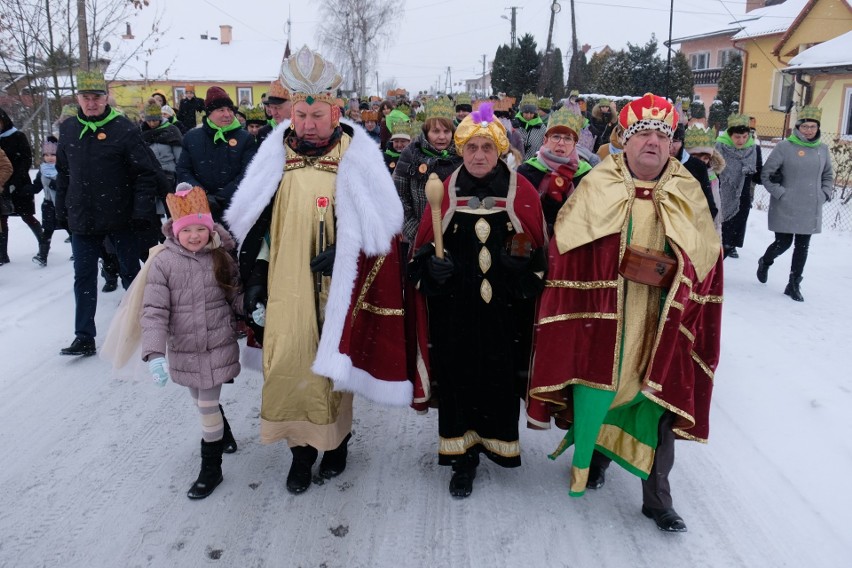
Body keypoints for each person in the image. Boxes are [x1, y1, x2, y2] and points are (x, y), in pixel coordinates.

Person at [528, 93, 723, 532]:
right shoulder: (600, 182)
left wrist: (677, 271)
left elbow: (709, 258)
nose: (653, 142)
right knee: (599, 387)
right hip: (605, 313)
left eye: (662, 135)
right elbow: (566, 246)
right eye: (643, 134)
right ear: (626, 140)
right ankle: (595, 458)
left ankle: (658, 500)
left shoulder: (686, 188)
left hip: (660, 318)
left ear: (672, 144)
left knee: (657, 403)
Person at [224, 46, 411, 495]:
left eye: (317, 114)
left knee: (330, 365)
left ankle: (335, 442)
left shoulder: (357, 155)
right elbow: (256, 224)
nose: (307, 124)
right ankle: (298, 451)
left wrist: (348, 249)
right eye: (300, 114)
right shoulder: (275, 155)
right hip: (284, 278)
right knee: (288, 359)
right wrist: (254, 277)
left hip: (335, 283)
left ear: (336, 111)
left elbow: (385, 223)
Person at [408, 102, 547, 498]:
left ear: (500, 149)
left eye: (487, 147)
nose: (480, 156)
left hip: (505, 316)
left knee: (500, 380)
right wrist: (431, 271)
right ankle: (462, 458)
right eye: (471, 148)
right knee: (458, 381)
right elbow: (420, 254)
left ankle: (498, 444)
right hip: (456, 313)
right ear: (461, 152)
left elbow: (539, 254)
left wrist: (521, 265)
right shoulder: (445, 193)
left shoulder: (523, 195)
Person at [140, 185, 242, 499]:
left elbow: (234, 292)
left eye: (201, 229)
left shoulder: (221, 257)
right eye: (188, 230)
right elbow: (154, 310)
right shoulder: (163, 264)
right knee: (199, 401)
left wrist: (252, 310)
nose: (195, 236)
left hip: (216, 344)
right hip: (184, 347)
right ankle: (223, 433)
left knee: (206, 407)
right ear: (175, 231)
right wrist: (155, 352)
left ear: (210, 229)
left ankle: (211, 468)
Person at [55, 70, 160, 356]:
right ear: (78, 98)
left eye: (97, 97)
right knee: (84, 276)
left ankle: (144, 329)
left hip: (120, 216)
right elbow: (63, 174)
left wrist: (141, 211)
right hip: (83, 218)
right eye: (86, 97)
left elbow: (144, 174)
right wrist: (61, 209)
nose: (91, 103)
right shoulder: (68, 129)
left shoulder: (123, 129)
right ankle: (84, 336)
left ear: (106, 98)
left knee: (131, 274)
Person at [756, 106, 833, 302]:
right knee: (783, 243)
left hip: (811, 205)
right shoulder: (784, 147)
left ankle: (793, 284)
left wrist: (824, 194)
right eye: (805, 126)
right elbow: (766, 175)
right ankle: (765, 261)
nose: (809, 130)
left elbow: (827, 175)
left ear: (818, 128)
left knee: (802, 246)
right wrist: (781, 193)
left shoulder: (822, 150)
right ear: (798, 127)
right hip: (786, 204)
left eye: (813, 126)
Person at [176, 87, 257, 224]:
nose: (228, 114)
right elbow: (183, 170)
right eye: (221, 110)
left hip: (235, 208)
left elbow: (248, 173)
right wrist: (203, 196)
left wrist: (222, 197)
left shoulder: (245, 138)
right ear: (209, 113)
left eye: (230, 110)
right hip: (200, 210)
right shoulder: (192, 137)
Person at [393, 96, 462, 245]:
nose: (442, 136)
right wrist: (417, 233)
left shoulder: (461, 154)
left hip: (456, 236)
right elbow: (399, 197)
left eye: (446, 131)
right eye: (435, 131)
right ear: (426, 131)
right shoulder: (411, 153)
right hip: (420, 235)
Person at [517, 107, 591, 233]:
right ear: (545, 140)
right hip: (535, 239)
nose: (561, 143)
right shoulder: (526, 171)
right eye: (556, 137)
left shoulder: (587, 175)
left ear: (574, 144)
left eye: (568, 138)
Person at [0, 107, 44, 267]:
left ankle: (43, 243)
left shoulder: (17, 136)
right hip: (1, 185)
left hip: (20, 183)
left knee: (27, 216)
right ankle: (2, 255)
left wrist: (15, 181)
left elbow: (26, 159)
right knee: (2, 219)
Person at [716, 114, 759, 258]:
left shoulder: (753, 150)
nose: (741, 140)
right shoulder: (719, 147)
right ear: (729, 135)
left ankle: (717, 272)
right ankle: (712, 274)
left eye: (745, 136)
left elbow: (758, 174)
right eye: (737, 137)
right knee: (718, 240)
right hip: (722, 197)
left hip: (742, 200)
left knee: (731, 242)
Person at [683, 124, 726, 236]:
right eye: (696, 158)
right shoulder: (680, 174)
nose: (701, 162)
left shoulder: (712, 177)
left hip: (704, 228)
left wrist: (717, 235)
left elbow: (716, 206)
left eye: (705, 158)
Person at [670, 124, 718, 222]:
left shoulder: (697, 167)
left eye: (675, 141)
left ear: (682, 142)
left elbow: (709, 208)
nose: (670, 145)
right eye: (664, 138)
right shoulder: (650, 164)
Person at [31, 137, 64, 266]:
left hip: (62, 205)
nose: (49, 158)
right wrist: (26, 189)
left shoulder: (63, 169)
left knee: (70, 229)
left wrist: (53, 184)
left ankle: (77, 253)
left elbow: (64, 186)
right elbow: (37, 186)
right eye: (46, 155)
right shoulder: (42, 170)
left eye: (53, 155)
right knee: (48, 230)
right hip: (48, 204)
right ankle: (43, 255)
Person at [256, 79, 291, 145]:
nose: (274, 113)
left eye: (278, 107)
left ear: (292, 106)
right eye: (271, 107)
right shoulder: (263, 132)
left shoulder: (302, 131)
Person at [513, 93, 547, 160]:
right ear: (522, 112)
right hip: (514, 163)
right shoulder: (514, 124)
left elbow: (545, 146)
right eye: (526, 112)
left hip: (533, 164)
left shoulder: (542, 128)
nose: (528, 116)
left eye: (531, 113)